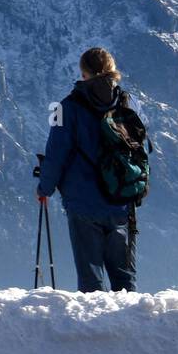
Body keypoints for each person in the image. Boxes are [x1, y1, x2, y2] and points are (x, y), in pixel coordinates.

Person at [36, 47, 137, 292]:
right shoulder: (129, 102)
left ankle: (95, 328)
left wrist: (45, 188)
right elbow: (141, 148)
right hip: (122, 201)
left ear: (84, 74)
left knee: (91, 280)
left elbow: (56, 153)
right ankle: (129, 327)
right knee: (124, 280)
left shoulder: (66, 108)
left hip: (83, 204)